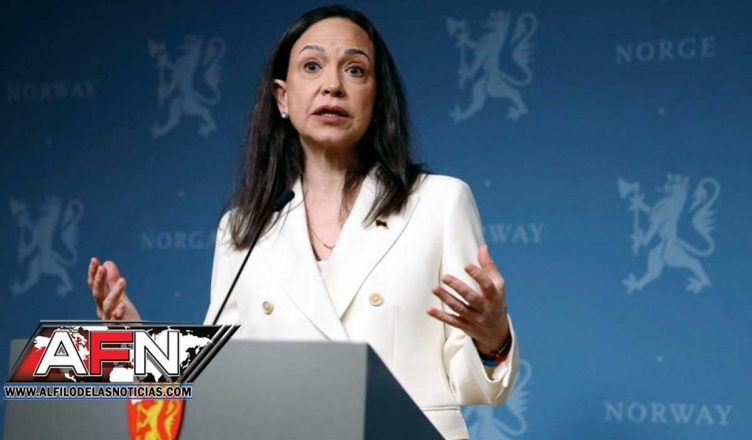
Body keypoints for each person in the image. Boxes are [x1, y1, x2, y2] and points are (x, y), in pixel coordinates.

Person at [88, 5, 519, 439]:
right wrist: (135, 346)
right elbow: (225, 379)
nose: (332, 85)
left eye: (355, 70)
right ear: (282, 97)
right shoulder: (243, 229)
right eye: (312, 66)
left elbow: (477, 381)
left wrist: (492, 336)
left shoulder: (439, 203)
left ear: (376, 97)